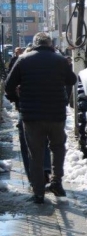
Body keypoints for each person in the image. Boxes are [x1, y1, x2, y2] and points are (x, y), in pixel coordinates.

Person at [5, 32, 78, 204]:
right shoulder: (59, 60)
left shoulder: (23, 60)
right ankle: (56, 183)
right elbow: (72, 80)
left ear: (35, 44)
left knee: (35, 154)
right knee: (58, 148)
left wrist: (18, 100)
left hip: (31, 117)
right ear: (50, 44)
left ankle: (38, 193)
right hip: (56, 114)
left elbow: (9, 86)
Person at [5, 46, 53, 186]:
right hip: (47, 110)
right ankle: (45, 169)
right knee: (45, 141)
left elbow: (9, 86)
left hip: (27, 112)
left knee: (27, 146)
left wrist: (16, 100)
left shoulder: (21, 64)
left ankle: (33, 177)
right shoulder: (49, 66)